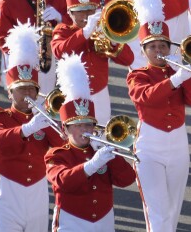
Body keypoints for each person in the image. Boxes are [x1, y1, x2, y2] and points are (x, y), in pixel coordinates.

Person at [127, 0, 191, 231]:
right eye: (153, 47)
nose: (159, 51)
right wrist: (174, 80)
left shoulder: (177, 70)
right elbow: (146, 97)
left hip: (179, 143)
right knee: (158, 213)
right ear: (143, 51)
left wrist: (187, 71)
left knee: (172, 211)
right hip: (150, 145)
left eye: (163, 46)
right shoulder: (137, 75)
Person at [45, 53, 136, 231]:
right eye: (77, 125)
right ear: (65, 129)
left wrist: (111, 153)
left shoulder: (99, 150)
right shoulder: (57, 155)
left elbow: (127, 179)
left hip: (104, 220)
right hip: (71, 222)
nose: (84, 130)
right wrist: (94, 163)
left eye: (88, 124)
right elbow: (63, 181)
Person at [0, 22, 61, 231]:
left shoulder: (42, 119)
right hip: (8, 195)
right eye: (21, 89)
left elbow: (61, 146)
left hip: (37, 194)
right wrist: (27, 128)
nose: (27, 93)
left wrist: (47, 120)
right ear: (10, 92)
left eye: (31, 88)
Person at [51, 0, 133, 124]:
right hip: (73, 94)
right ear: (70, 13)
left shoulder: (102, 31)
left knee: (102, 137)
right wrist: (85, 32)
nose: (85, 15)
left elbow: (128, 59)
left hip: (100, 93)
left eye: (89, 10)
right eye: (79, 11)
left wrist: (111, 41)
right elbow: (60, 51)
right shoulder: (63, 30)